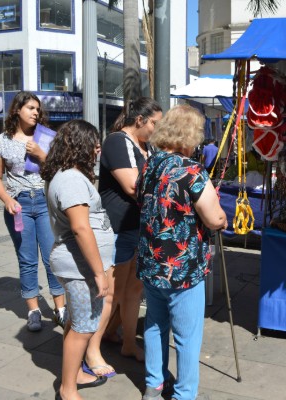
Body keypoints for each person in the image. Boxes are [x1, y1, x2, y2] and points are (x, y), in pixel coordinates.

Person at [137, 104, 228, 400]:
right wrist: (223, 219)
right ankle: (184, 394)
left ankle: (154, 383)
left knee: (154, 324)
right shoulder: (191, 170)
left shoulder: (150, 165)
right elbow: (214, 218)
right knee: (187, 337)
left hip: (152, 263)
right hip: (182, 268)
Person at [40, 120, 112, 400]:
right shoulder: (70, 179)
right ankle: (67, 389)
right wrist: (98, 272)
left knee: (77, 322)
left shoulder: (71, 175)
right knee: (82, 328)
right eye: (94, 143)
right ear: (80, 146)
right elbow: (81, 228)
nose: (97, 149)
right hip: (79, 266)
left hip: (80, 265)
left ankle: (76, 375)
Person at [0, 91, 65, 332]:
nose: (35, 112)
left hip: (44, 202)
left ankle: (60, 309)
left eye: (37, 109)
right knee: (27, 259)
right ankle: (33, 310)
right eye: (30, 108)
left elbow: (60, 171)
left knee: (52, 256)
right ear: (17, 111)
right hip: (18, 206)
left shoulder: (46, 138)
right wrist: (6, 199)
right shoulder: (2, 141)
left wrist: (42, 156)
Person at [99, 97, 163, 362]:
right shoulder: (117, 141)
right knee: (111, 292)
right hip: (119, 226)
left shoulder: (145, 146)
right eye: (155, 124)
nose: (158, 130)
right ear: (140, 120)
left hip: (138, 227)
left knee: (134, 289)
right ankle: (92, 350)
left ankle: (125, 341)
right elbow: (132, 185)